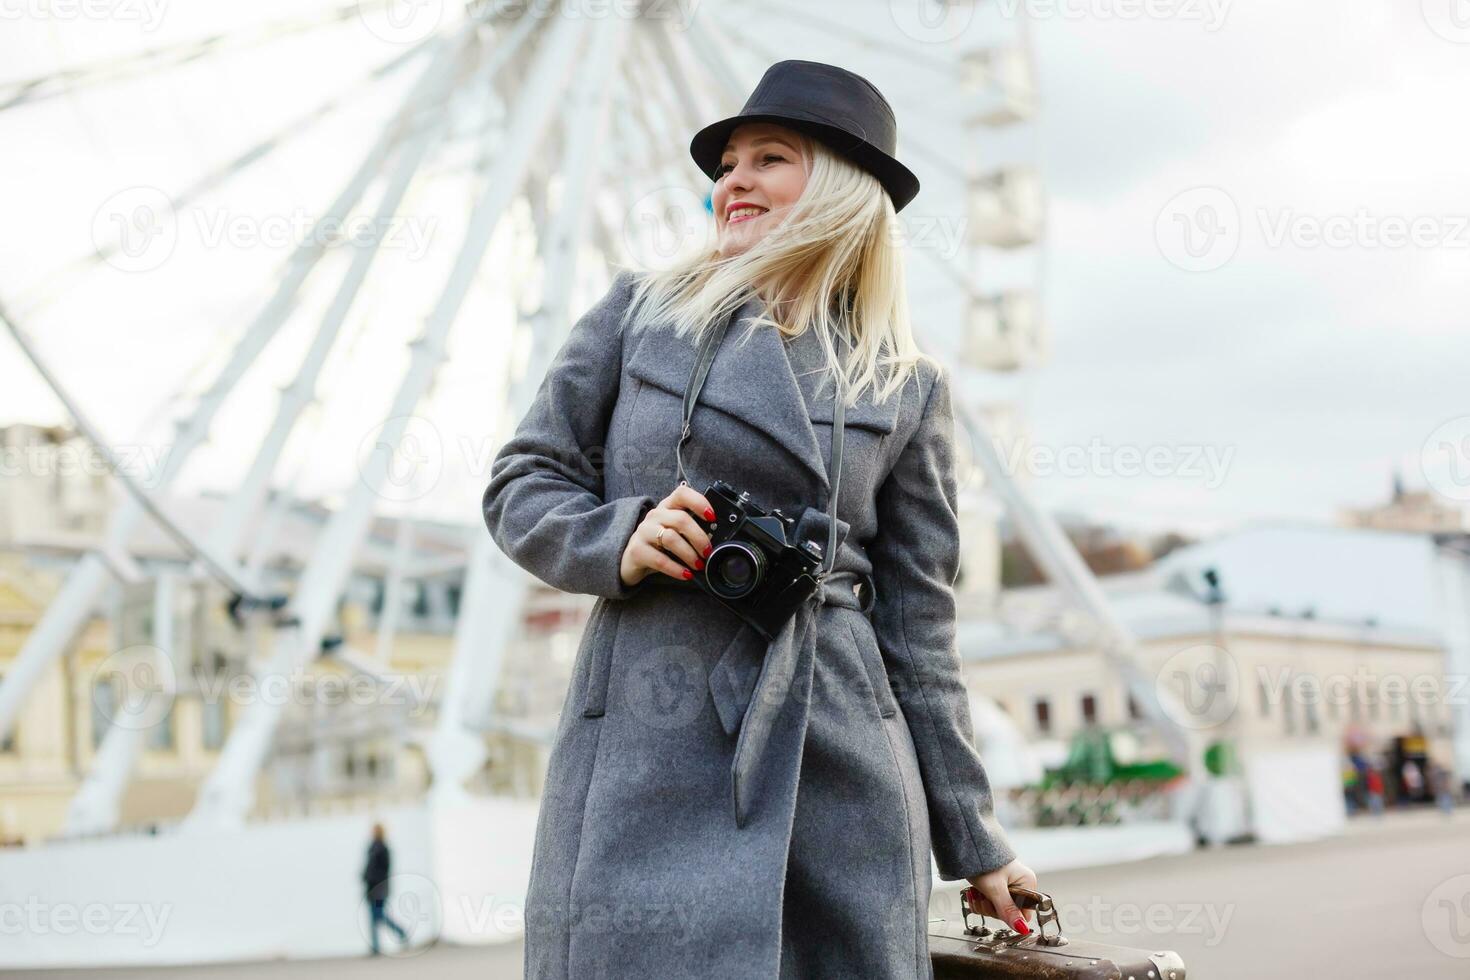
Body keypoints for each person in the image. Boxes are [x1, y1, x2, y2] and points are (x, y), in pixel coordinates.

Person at [483, 59, 1036, 979]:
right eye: (726, 163)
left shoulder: (906, 385)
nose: (731, 180)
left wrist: (975, 841)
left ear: (841, 192)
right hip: (646, 749)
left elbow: (920, 635)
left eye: (767, 159)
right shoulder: (637, 315)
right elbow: (522, 482)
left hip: (840, 754)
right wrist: (618, 538)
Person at [361, 822, 408, 956]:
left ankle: (401, 932)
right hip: (371, 889)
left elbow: (384, 870)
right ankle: (375, 946)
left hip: (379, 890)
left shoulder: (383, 849)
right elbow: (368, 868)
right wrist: (365, 877)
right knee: (373, 917)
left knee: (379, 915)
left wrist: (372, 878)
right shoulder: (372, 848)